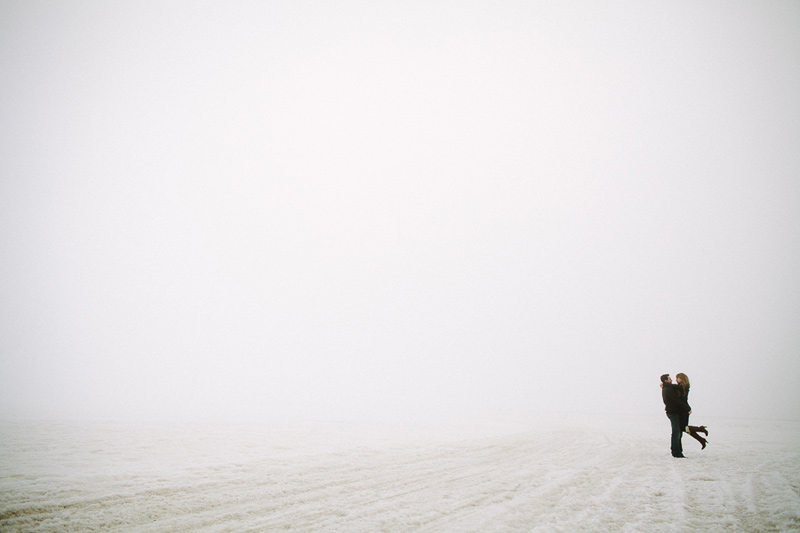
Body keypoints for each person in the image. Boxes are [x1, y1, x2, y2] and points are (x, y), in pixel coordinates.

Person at [675, 373, 709, 449]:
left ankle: (700, 430)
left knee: (684, 428)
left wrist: (664, 384)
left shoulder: (683, 387)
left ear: (682, 379)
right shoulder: (683, 387)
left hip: (684, 410)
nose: (676, 380)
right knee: (685, 428)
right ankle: (701, 439)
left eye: (677, 378)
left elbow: (673, 387)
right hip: (684, 409)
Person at [661, 374, 690, 457]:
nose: (673, 380)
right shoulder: (668, 389)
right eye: (670, 379)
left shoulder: (679, 387)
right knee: (676, 432)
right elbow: (677, 401)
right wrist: (688, 408)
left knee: (679, 432)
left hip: (678, 412)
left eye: (677, 378)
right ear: (666, 381)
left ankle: (678, 450)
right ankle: (676, 452)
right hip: (673, 412)